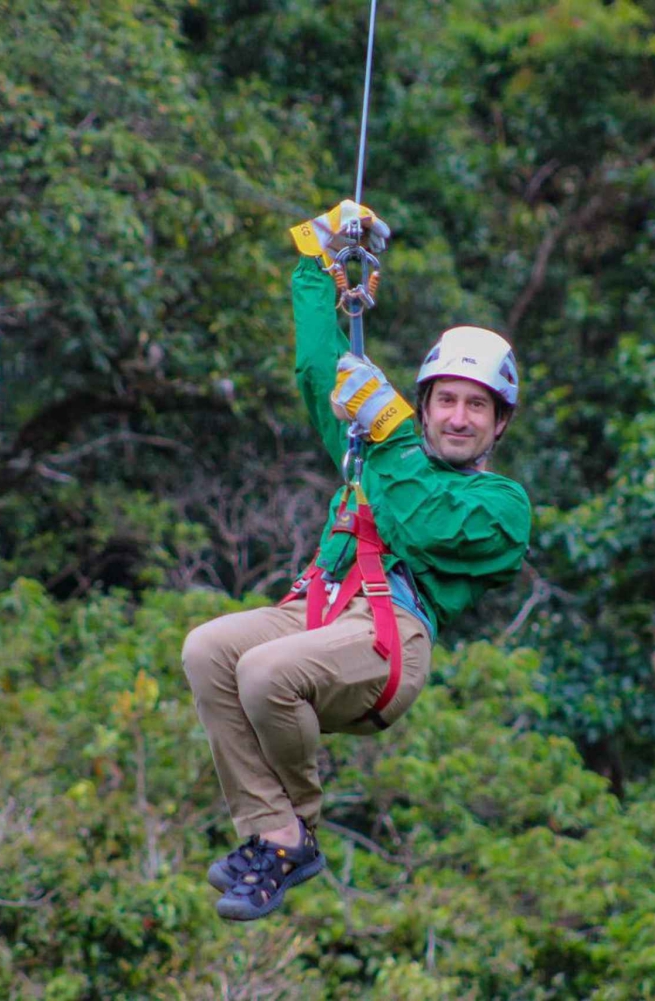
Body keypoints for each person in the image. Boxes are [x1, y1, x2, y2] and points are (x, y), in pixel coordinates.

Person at [182, 201, 532, 921]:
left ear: (499, 424)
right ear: (427, 405)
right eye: (445, 401)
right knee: (208, 649)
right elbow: (320, 368)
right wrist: (318, 259)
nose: (457, 417)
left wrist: (391, 432)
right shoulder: (375, 447)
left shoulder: (501, 505)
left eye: (476, 407)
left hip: (389, 636)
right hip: (319, 607)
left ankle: (296, 830)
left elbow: (421, 521)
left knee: (266, 672)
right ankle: (273, 833)